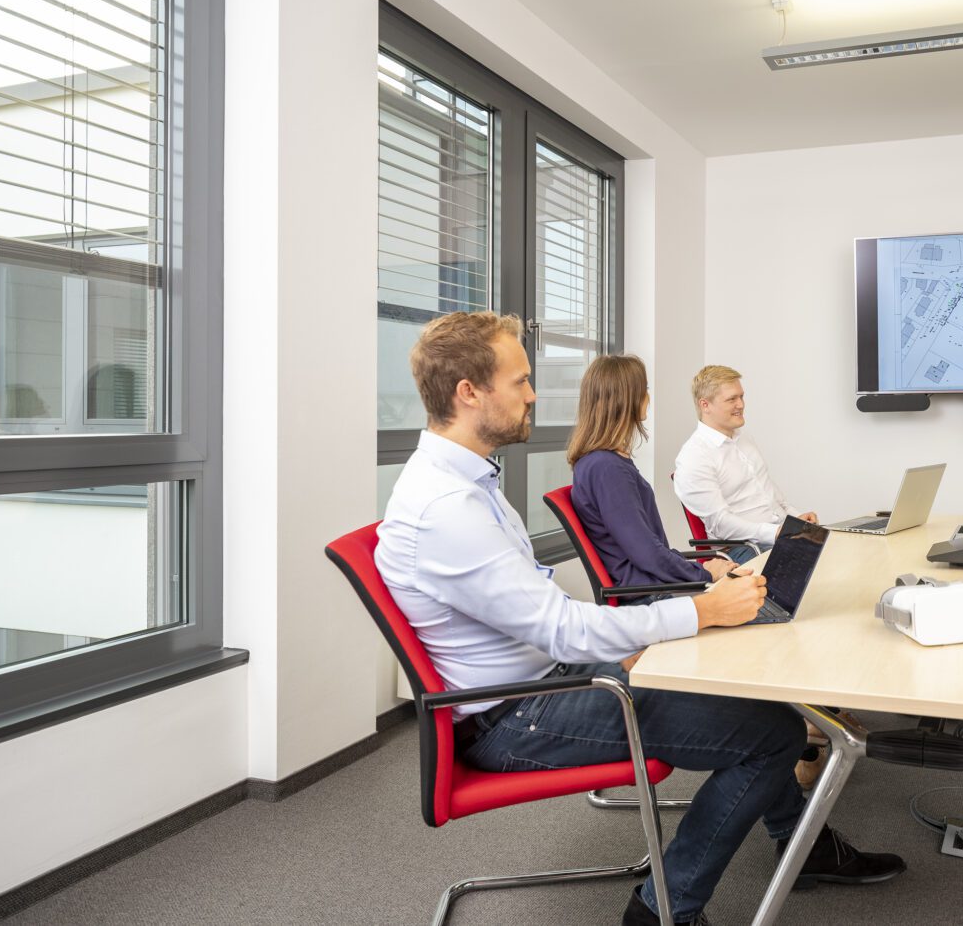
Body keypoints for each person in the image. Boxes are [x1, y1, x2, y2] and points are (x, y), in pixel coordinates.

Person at [375, 313, 904, 926]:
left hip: (552, 673)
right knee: (773, 739)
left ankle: (800, 844)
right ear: (469, 391)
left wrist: (667, 626)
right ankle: (664, 910)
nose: (533, 394)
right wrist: (697, 611)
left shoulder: (463, 482)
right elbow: (562, 627)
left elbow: (544, 609)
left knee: (762, 710)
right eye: (520, 381)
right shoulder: (448, 507)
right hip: (520, 709)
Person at [570, 354, 735, 590]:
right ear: (625, 399)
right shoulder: (607, 468)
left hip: (656, 585)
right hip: (649, 594)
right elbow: (647, 554)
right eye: (644, 390)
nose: (648, 397)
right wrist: (704, 572)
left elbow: (648, 548)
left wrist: (700, 570)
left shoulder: (606, 462)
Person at [674, 365, 816, 563]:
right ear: (705, 405)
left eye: (741, 396)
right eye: (732, 399)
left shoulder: (744, 439)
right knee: (824, 566)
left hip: (776, 536)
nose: (741, 405)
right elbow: (721, 524)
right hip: (742, 549)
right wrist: (775, 532)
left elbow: (771, 496)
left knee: (844, 550)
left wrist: (796, 518)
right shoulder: (695, 457)